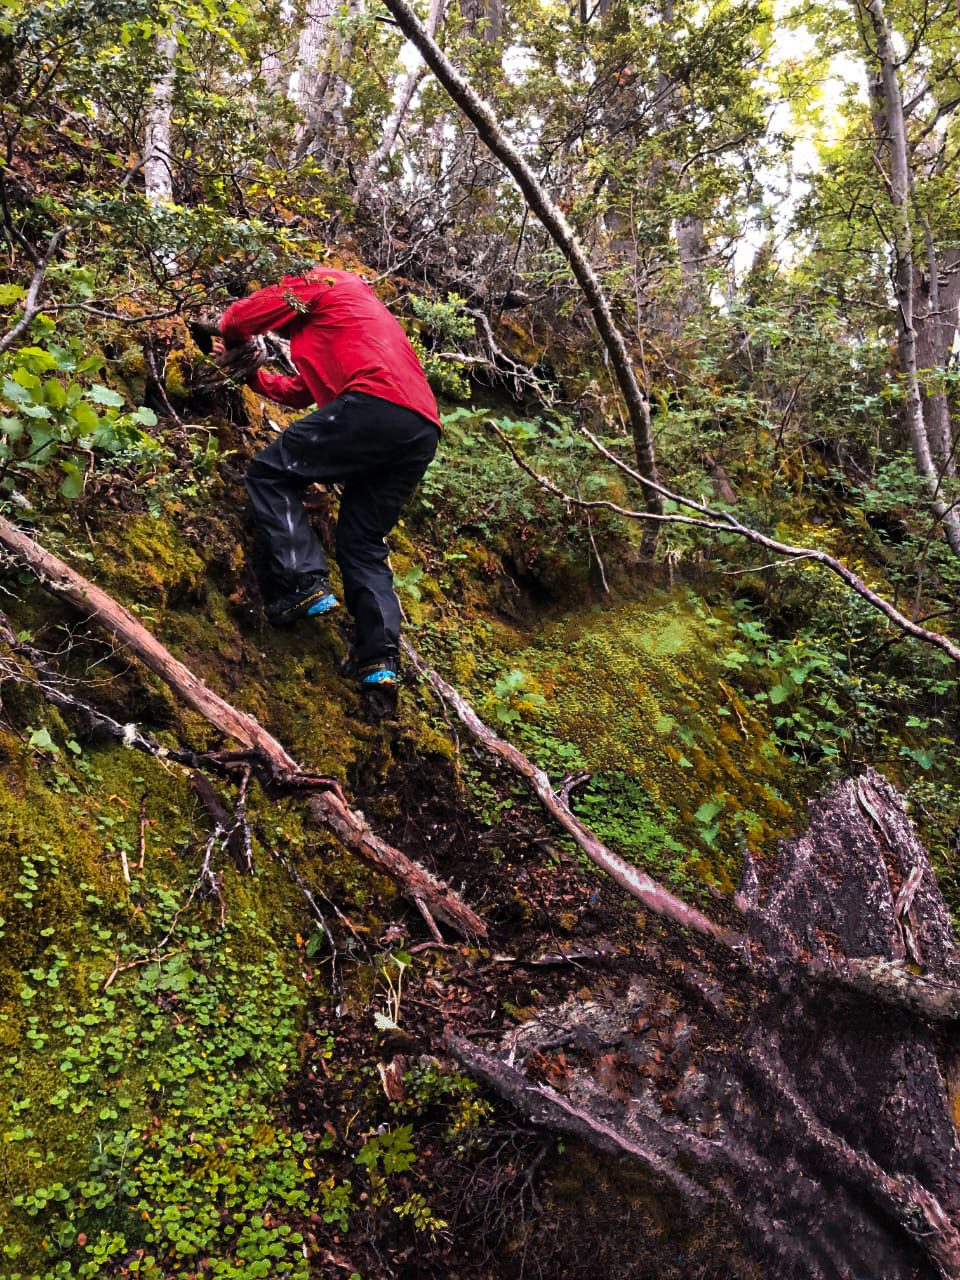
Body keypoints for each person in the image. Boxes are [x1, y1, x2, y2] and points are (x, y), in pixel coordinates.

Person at [218, 267, 440, 714]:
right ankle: (378, 662)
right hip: (419, 426)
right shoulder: (344, 323)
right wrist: (254, 377)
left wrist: (225, 337)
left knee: (270, 473)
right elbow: (302, 392)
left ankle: (302, 581)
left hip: (375, 402)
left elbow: (241, 321)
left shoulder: (322, 281)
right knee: (362, 542)